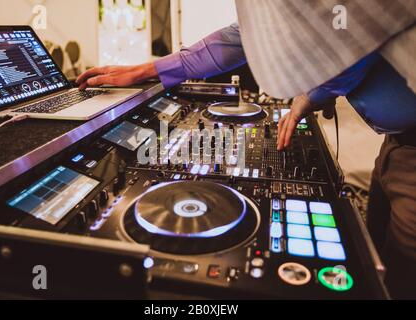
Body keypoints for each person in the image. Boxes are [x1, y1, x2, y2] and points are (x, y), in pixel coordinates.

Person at [77, 0, 416, 298]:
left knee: (401, 281)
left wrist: (314, 94)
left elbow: (355, 38)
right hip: (397, 143)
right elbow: (242, 37)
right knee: (376, 257)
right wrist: (149, 69)